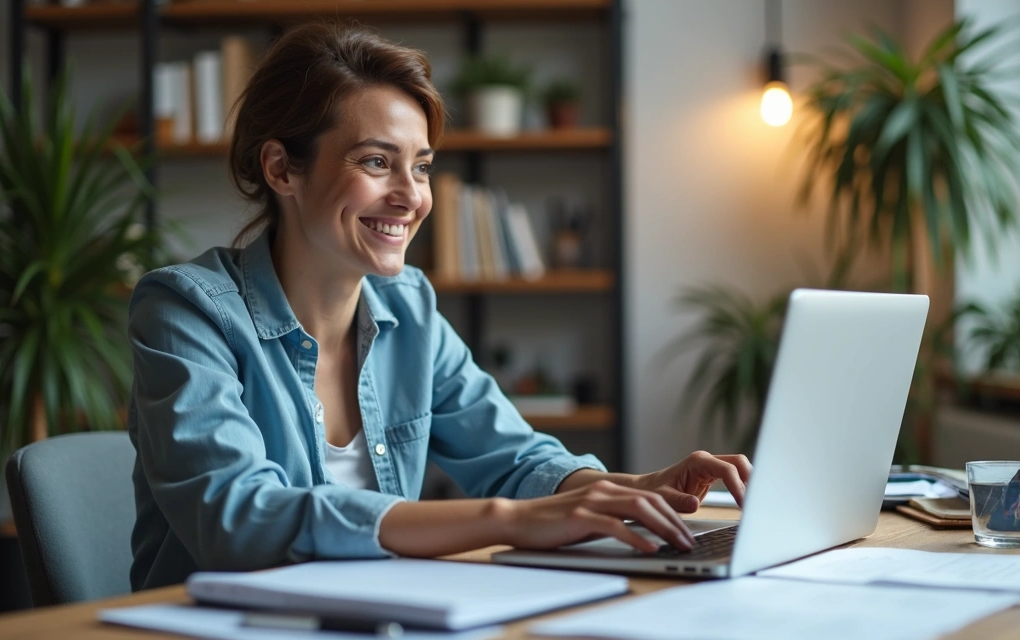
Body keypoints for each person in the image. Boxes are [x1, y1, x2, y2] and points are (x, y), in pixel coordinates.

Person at [126, 22, 750, 591]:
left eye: (420, 167)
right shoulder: (187, 310)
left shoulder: (410, 307)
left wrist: (632, 488)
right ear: (282, 169)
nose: (410, 197)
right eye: (376, 161)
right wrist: (509, 521)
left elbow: (514, 458)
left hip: (375, 616)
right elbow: (239, 521)